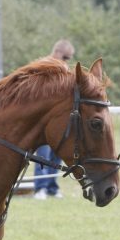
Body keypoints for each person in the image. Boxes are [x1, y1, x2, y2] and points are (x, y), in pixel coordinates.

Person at [33, 39, 76, 200]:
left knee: (56, 155)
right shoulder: (42, 67)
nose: (67, 62)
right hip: (43, 121)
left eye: (69, 59)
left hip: (58, 121)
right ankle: (40, 188)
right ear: (57, 52)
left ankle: (52, 187)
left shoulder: (63, 69)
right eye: (66, 57)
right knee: (43, 156)